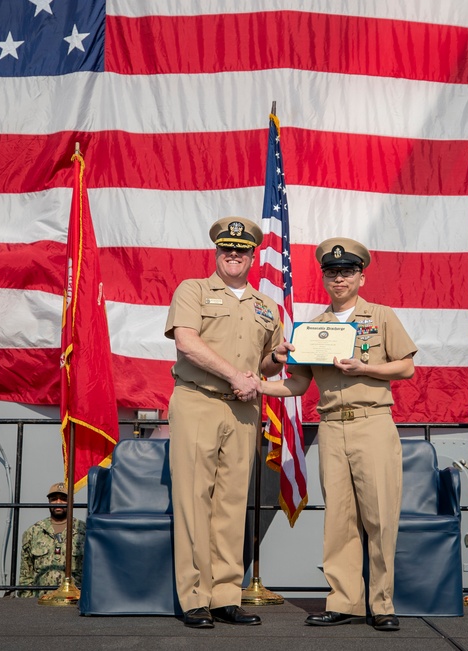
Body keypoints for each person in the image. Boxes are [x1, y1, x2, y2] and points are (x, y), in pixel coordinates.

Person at [258, 237, 416, 632]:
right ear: (325, 278)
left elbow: (405, 368)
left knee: (379, 518)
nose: (340, 278)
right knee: (339, 520)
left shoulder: (380, 316)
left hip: (372, 422)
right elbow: (296, 385)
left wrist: (364, 368)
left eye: (347, 271)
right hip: (331, 427)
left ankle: (381, 604)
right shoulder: (315, 329)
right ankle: (344, 601)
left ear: (361, 276)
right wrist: (256, 384)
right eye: (332, 272)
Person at [164, 216, 287, 628]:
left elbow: (265, 363)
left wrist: (280, 357)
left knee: (232, 505)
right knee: (193, 501)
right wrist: (235, 375)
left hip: (243, 411)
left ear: (253, 256)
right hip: (198, 400)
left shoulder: (268, 307)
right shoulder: (193, 290)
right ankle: (194, 597)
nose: (233, 255)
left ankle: (224, 596)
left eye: (242, 250)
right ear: (217, 252)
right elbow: (186, 341)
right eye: (226, 249)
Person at [18, 482, 85, 598]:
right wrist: (27, 603)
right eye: (54, 499)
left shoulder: (84, 531)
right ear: (49, 502)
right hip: (42, 601)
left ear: (71, 502)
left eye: (63, 499)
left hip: (75, 601)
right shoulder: (34, 532)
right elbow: (26, 574)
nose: (58, 503)